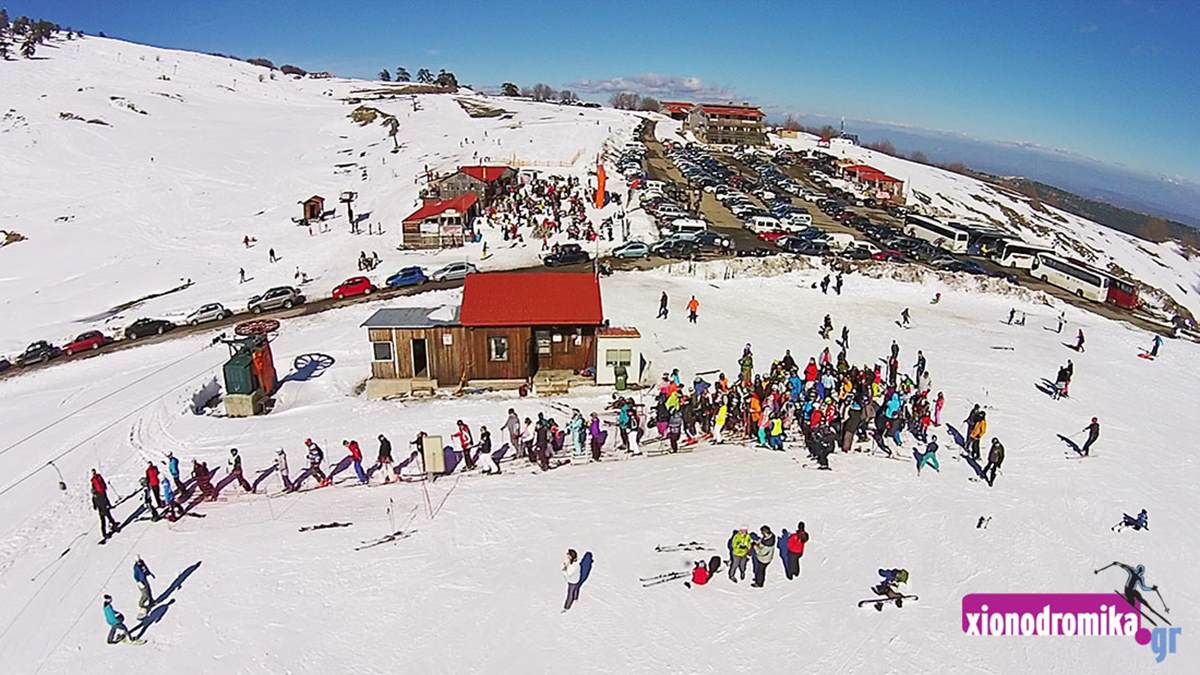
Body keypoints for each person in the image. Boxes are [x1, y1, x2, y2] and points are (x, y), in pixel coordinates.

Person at [1095, 562, 1169, 626]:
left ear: (1142, 572)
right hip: (1128, 590)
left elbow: (1143, 587)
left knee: (1140, 598)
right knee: (1133, 602)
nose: (1139, 572)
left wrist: (1152, 589)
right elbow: (1124, 567)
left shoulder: (1140, 578)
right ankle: (1131, 602)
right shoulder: (1132, 571)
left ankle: (1149, 607)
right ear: (1137, 569)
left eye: (1140, 571)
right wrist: (1117, 563)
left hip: (1133, 590)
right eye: (1139, 570)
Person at [91, 470, 120, 541]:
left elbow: (94, 505)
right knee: (109, 517)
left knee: (102, 521)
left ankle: (104, 533)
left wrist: (96, 506)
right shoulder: (100, 494)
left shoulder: (94, 497)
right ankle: (115, 527)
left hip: (100, 509)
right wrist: (107, 505)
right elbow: (105, 499)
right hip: (104, 508)